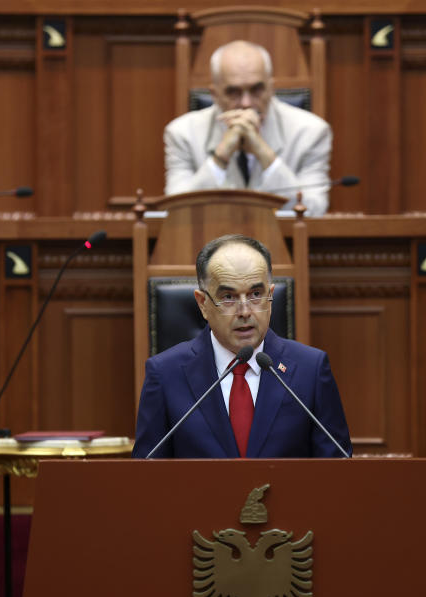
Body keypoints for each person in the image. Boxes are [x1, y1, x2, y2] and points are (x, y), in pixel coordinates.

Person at [132, 234, 352, 458]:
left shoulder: (311, 370)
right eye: (228, 297)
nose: (245, 311)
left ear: (271, 295)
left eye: (256, 295)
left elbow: (337, 471)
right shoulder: (165, 374)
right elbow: (147, 478)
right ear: (203, 304)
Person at [163, 40, 333, 217]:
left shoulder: (311, 132)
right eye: (233, 92)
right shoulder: (182, 133)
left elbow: (314, 211)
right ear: (215, 94)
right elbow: (177, 213)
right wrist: (221, 156)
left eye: (256, 89)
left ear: (271, 88)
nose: (246, 103)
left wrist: (264, 153)